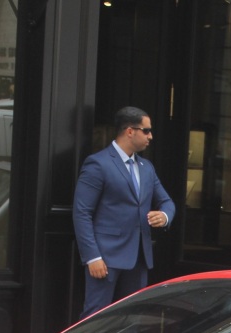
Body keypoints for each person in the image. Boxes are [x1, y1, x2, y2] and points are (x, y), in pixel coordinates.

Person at [73, 106, 176, 317]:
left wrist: (164, 216)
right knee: (96, 317)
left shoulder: (147, 167)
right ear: (130, 131)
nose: (151, 136)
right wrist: (92, 257)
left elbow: (167, 201)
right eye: (146, 131)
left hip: (139, 257)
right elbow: (82, 212)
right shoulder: (98, 164)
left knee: (131, 319)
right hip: (106, 258)